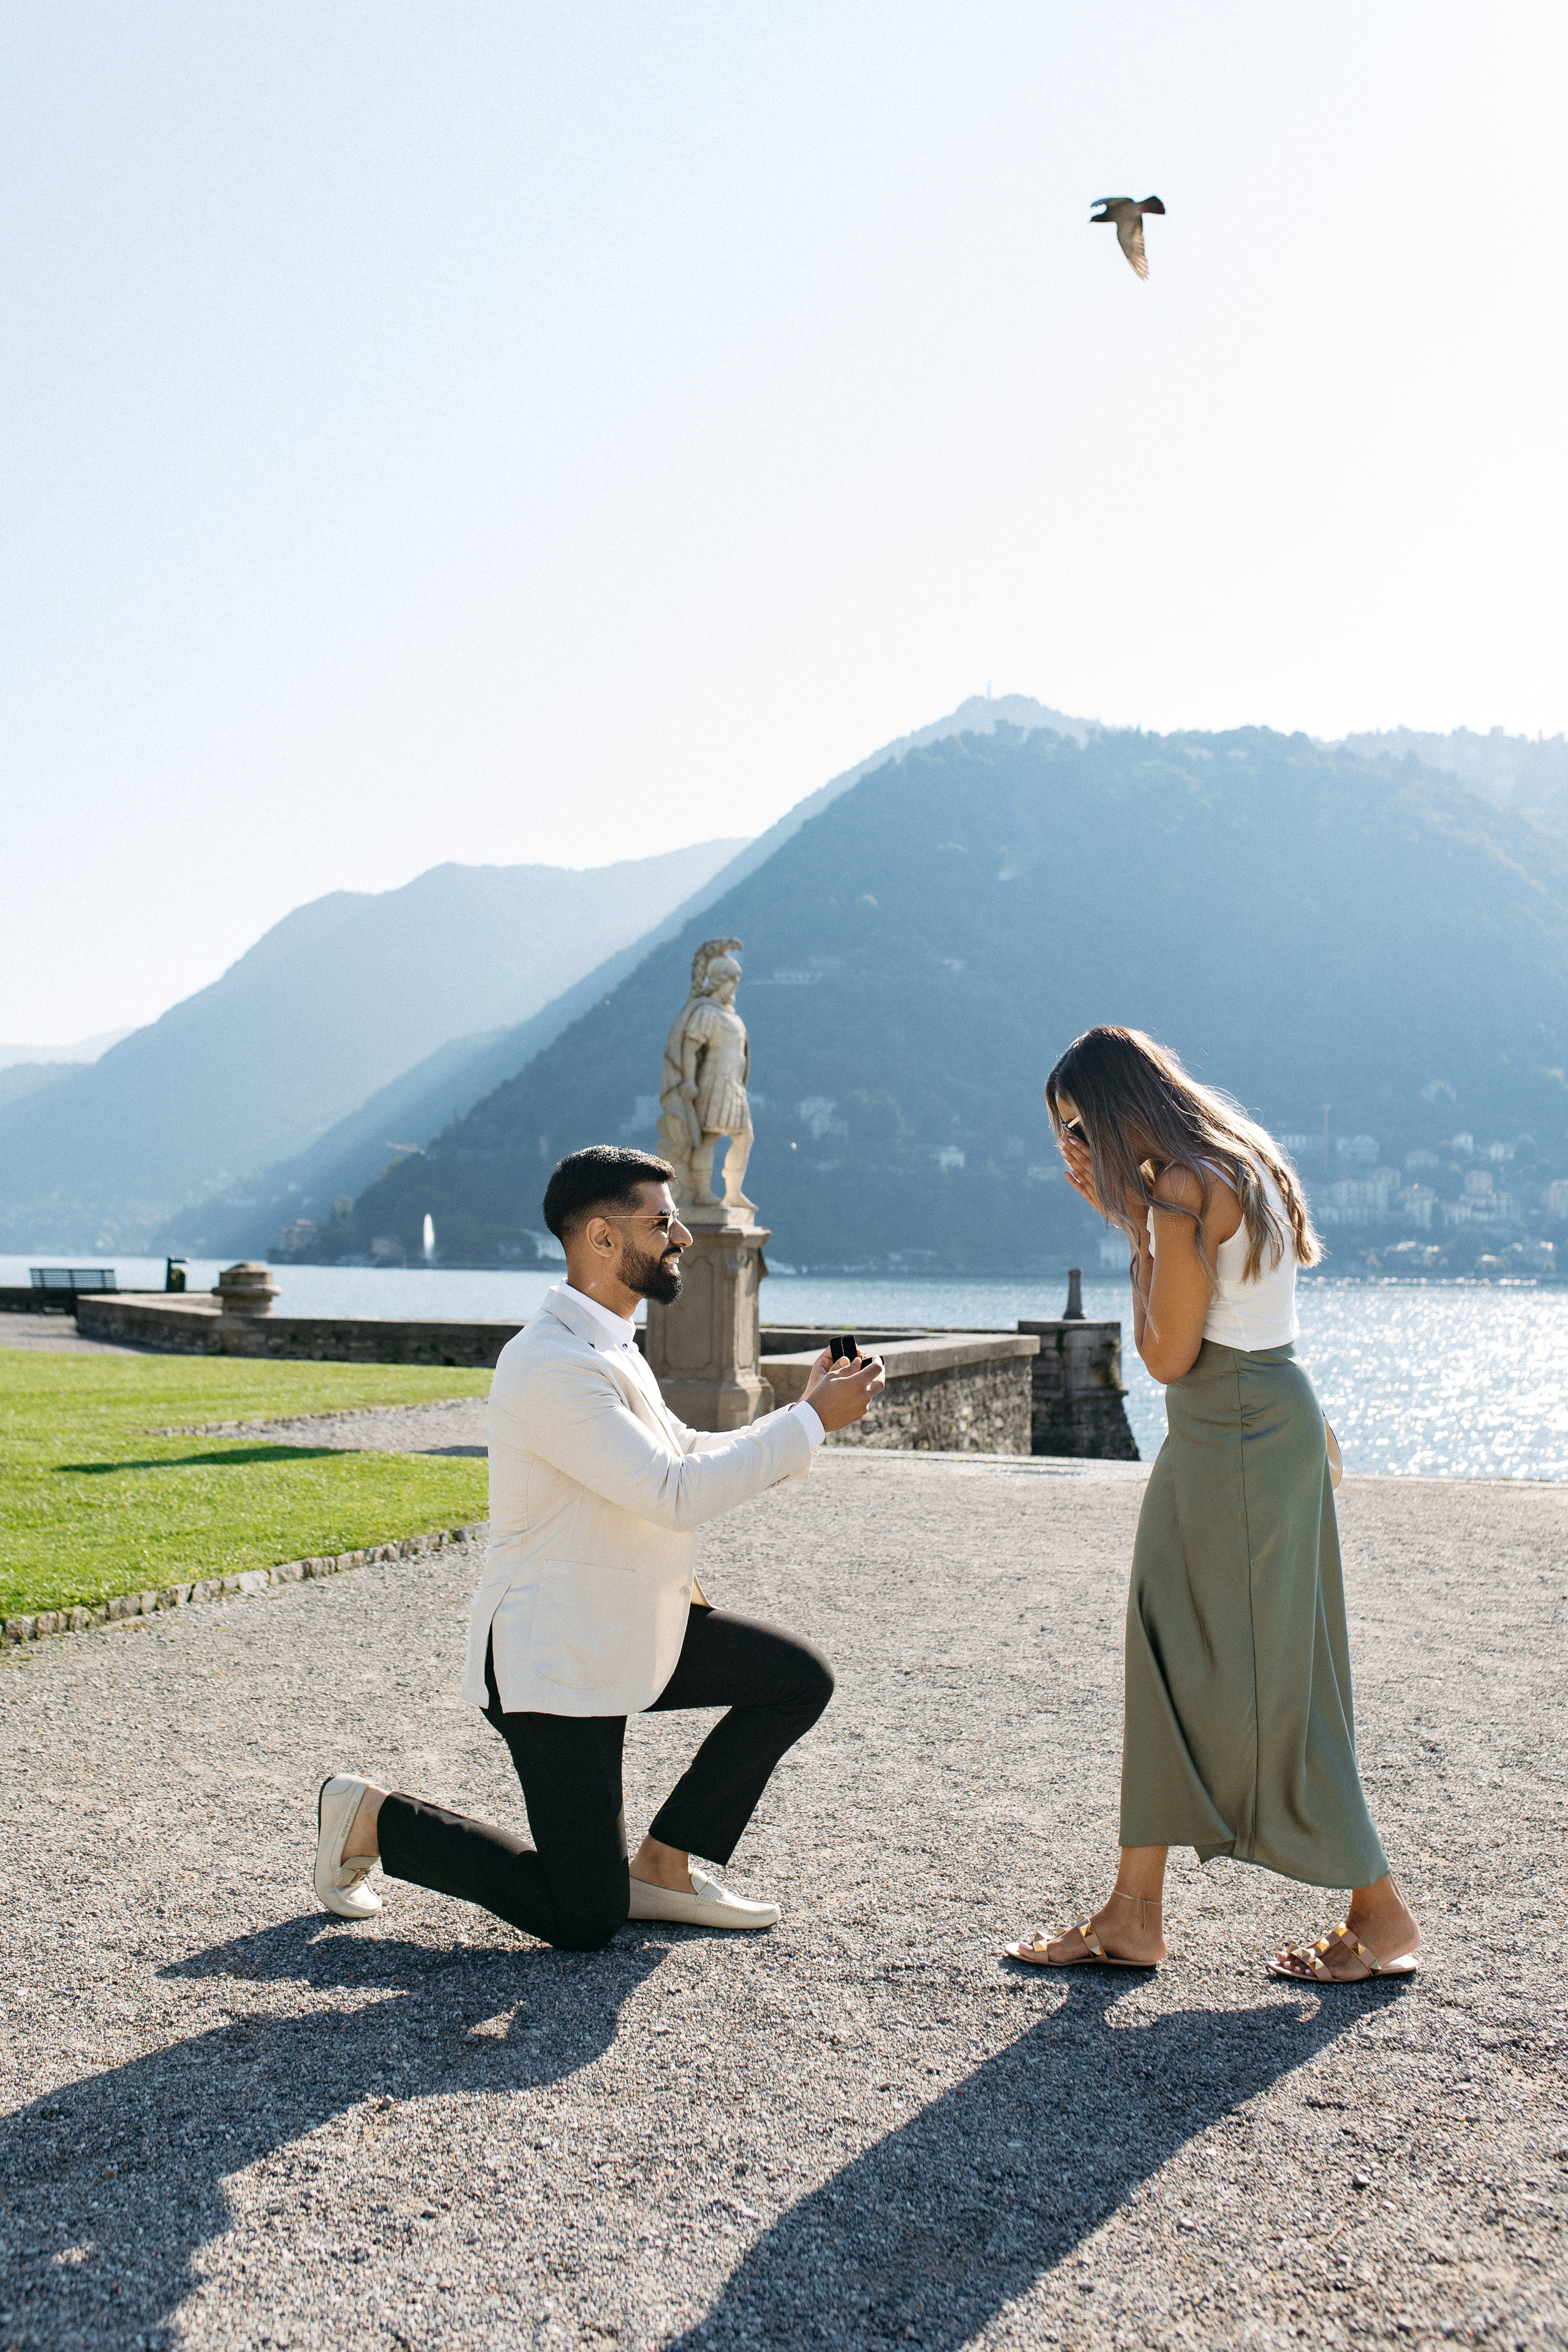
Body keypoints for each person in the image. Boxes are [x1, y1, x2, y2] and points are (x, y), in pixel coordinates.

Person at [312, 1145, 883, 1951]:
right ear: (603, 1240)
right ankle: (372, 1818)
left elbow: (680, 1451)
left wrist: (802, 1406)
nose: (682, 1235)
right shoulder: (548, 1363)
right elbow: (670, 1491)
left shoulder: (612, 1345)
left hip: (621, 1627)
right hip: (552, 1659)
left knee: (795, 1681)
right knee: (582, 1919)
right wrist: (812, 1421)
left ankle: (668, 1866)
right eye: (662, 1221)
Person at [1008, 1027, 1420, 1985]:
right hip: (1258, 1415)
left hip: (1228, 1422)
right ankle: (1134, 1911)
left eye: (1074, 1126)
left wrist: (1132, 1229)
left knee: (1274, 1673)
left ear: (1112, 1112)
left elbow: (1165, 1357)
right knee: (1182, 1645)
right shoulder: (1241, 1154)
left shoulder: (1178, 1190)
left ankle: (1382, 1910)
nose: (1071, 1147)